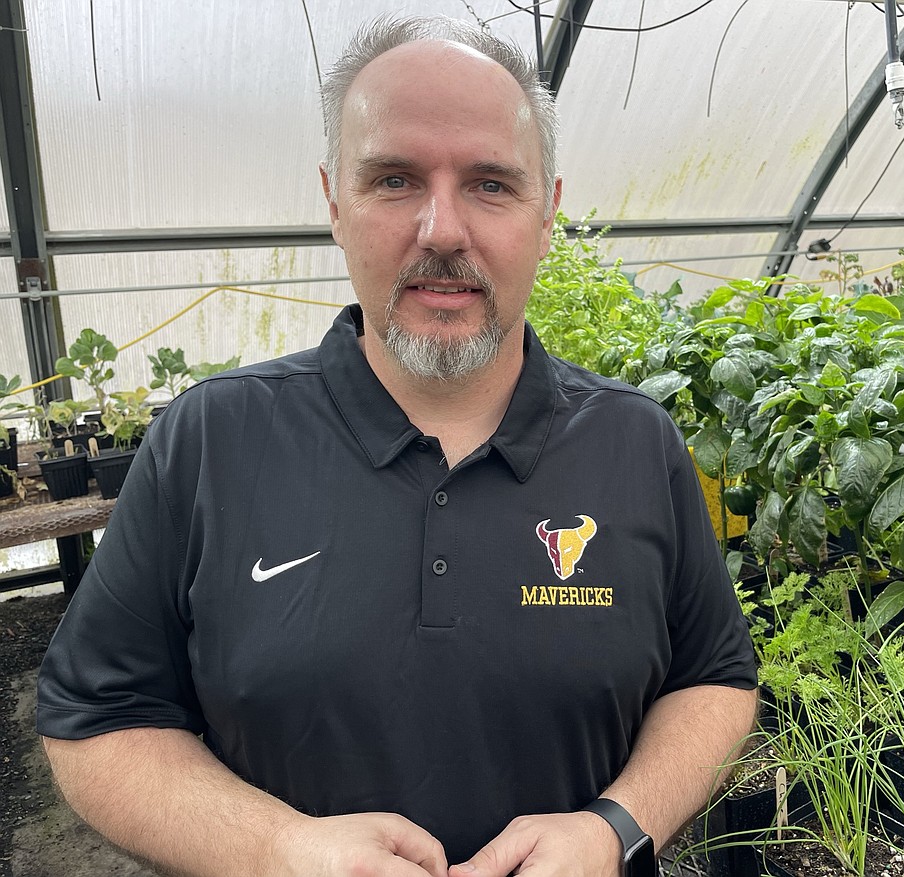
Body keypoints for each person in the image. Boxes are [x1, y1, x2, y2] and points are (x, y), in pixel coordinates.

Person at [36, 15, 758, 877]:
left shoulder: (636, 441)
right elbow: (97, 719)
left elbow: (713, 678)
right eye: (394, 179)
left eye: (492, 184)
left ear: (548, 211)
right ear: (334, 201)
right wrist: (274, 848)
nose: (442, 229)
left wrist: (612, 827)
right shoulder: (210, 441)